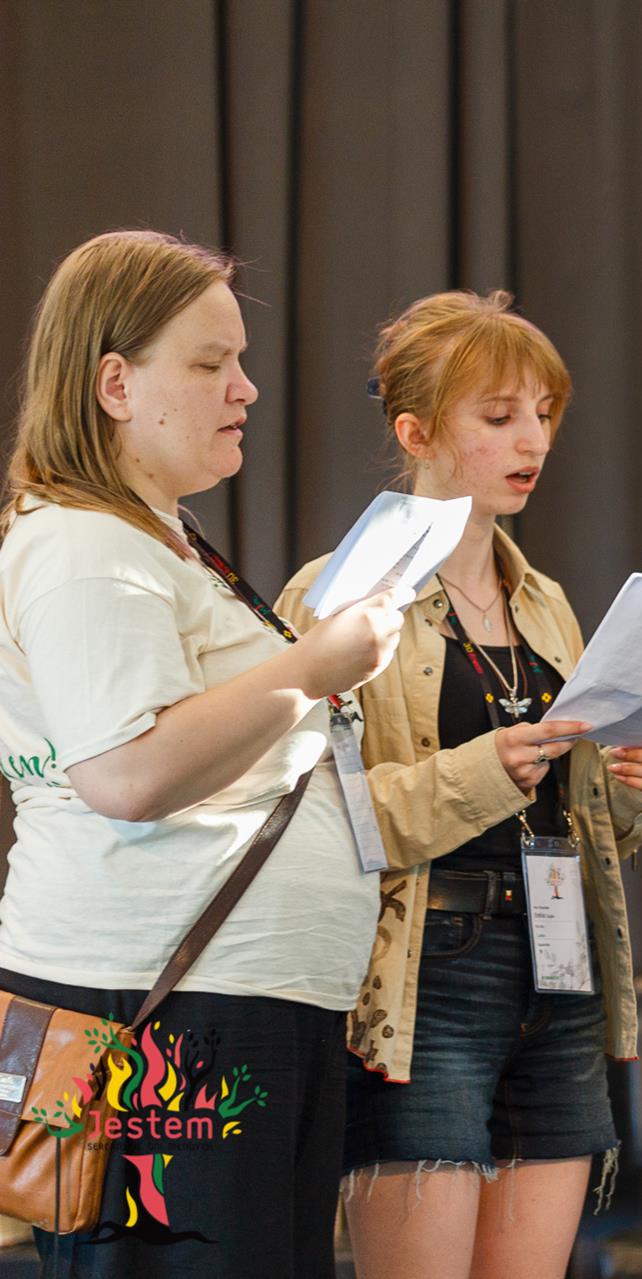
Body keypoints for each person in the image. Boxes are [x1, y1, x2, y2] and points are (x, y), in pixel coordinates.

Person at [0, 229, 404, 1275]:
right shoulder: (84, 544)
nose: (246, 388)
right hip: (164, 1008)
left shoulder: (153, 537)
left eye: (240, 361)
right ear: (115, 384)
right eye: (211, 362)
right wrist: (314, 667)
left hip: (228, 1003)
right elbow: (127, 774)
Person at [274, 291, 642, 1279]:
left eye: (543, 412)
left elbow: (587, 820)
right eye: (498, 416)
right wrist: (480, 773)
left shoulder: (546, 603)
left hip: (559, 962)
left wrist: (637, 781)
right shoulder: (341, 595)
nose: (531, 439)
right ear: (415, 432)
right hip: (428, 971)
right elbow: (317, 819)